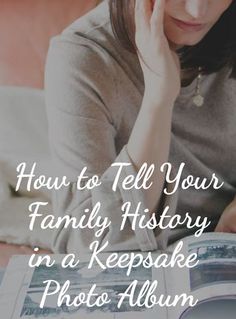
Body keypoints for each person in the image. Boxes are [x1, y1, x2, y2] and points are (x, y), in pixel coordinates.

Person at [45, 0, 236, 254]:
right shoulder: (84, 56)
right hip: (145, 265)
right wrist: (158, 99)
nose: (197, 11)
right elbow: (87, 245)